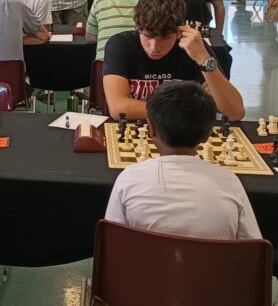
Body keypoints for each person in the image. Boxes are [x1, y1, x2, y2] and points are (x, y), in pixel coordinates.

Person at [104, 81, 262, 240]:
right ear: (207, 135)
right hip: (211, 258)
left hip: (145, 257)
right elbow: (254, 246)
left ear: (151, 128)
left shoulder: (128, 179)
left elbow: (110, 242)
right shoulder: (230, 183)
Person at [102, 0, 244, 121]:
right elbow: (119, 109)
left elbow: (235, 112)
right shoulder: (120, 45)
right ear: (138, 27)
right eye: (148, 36)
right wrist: (188, 110)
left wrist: (204, 59)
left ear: (179, 32)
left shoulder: (194, 48)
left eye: (165, 38)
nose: (154, 47)